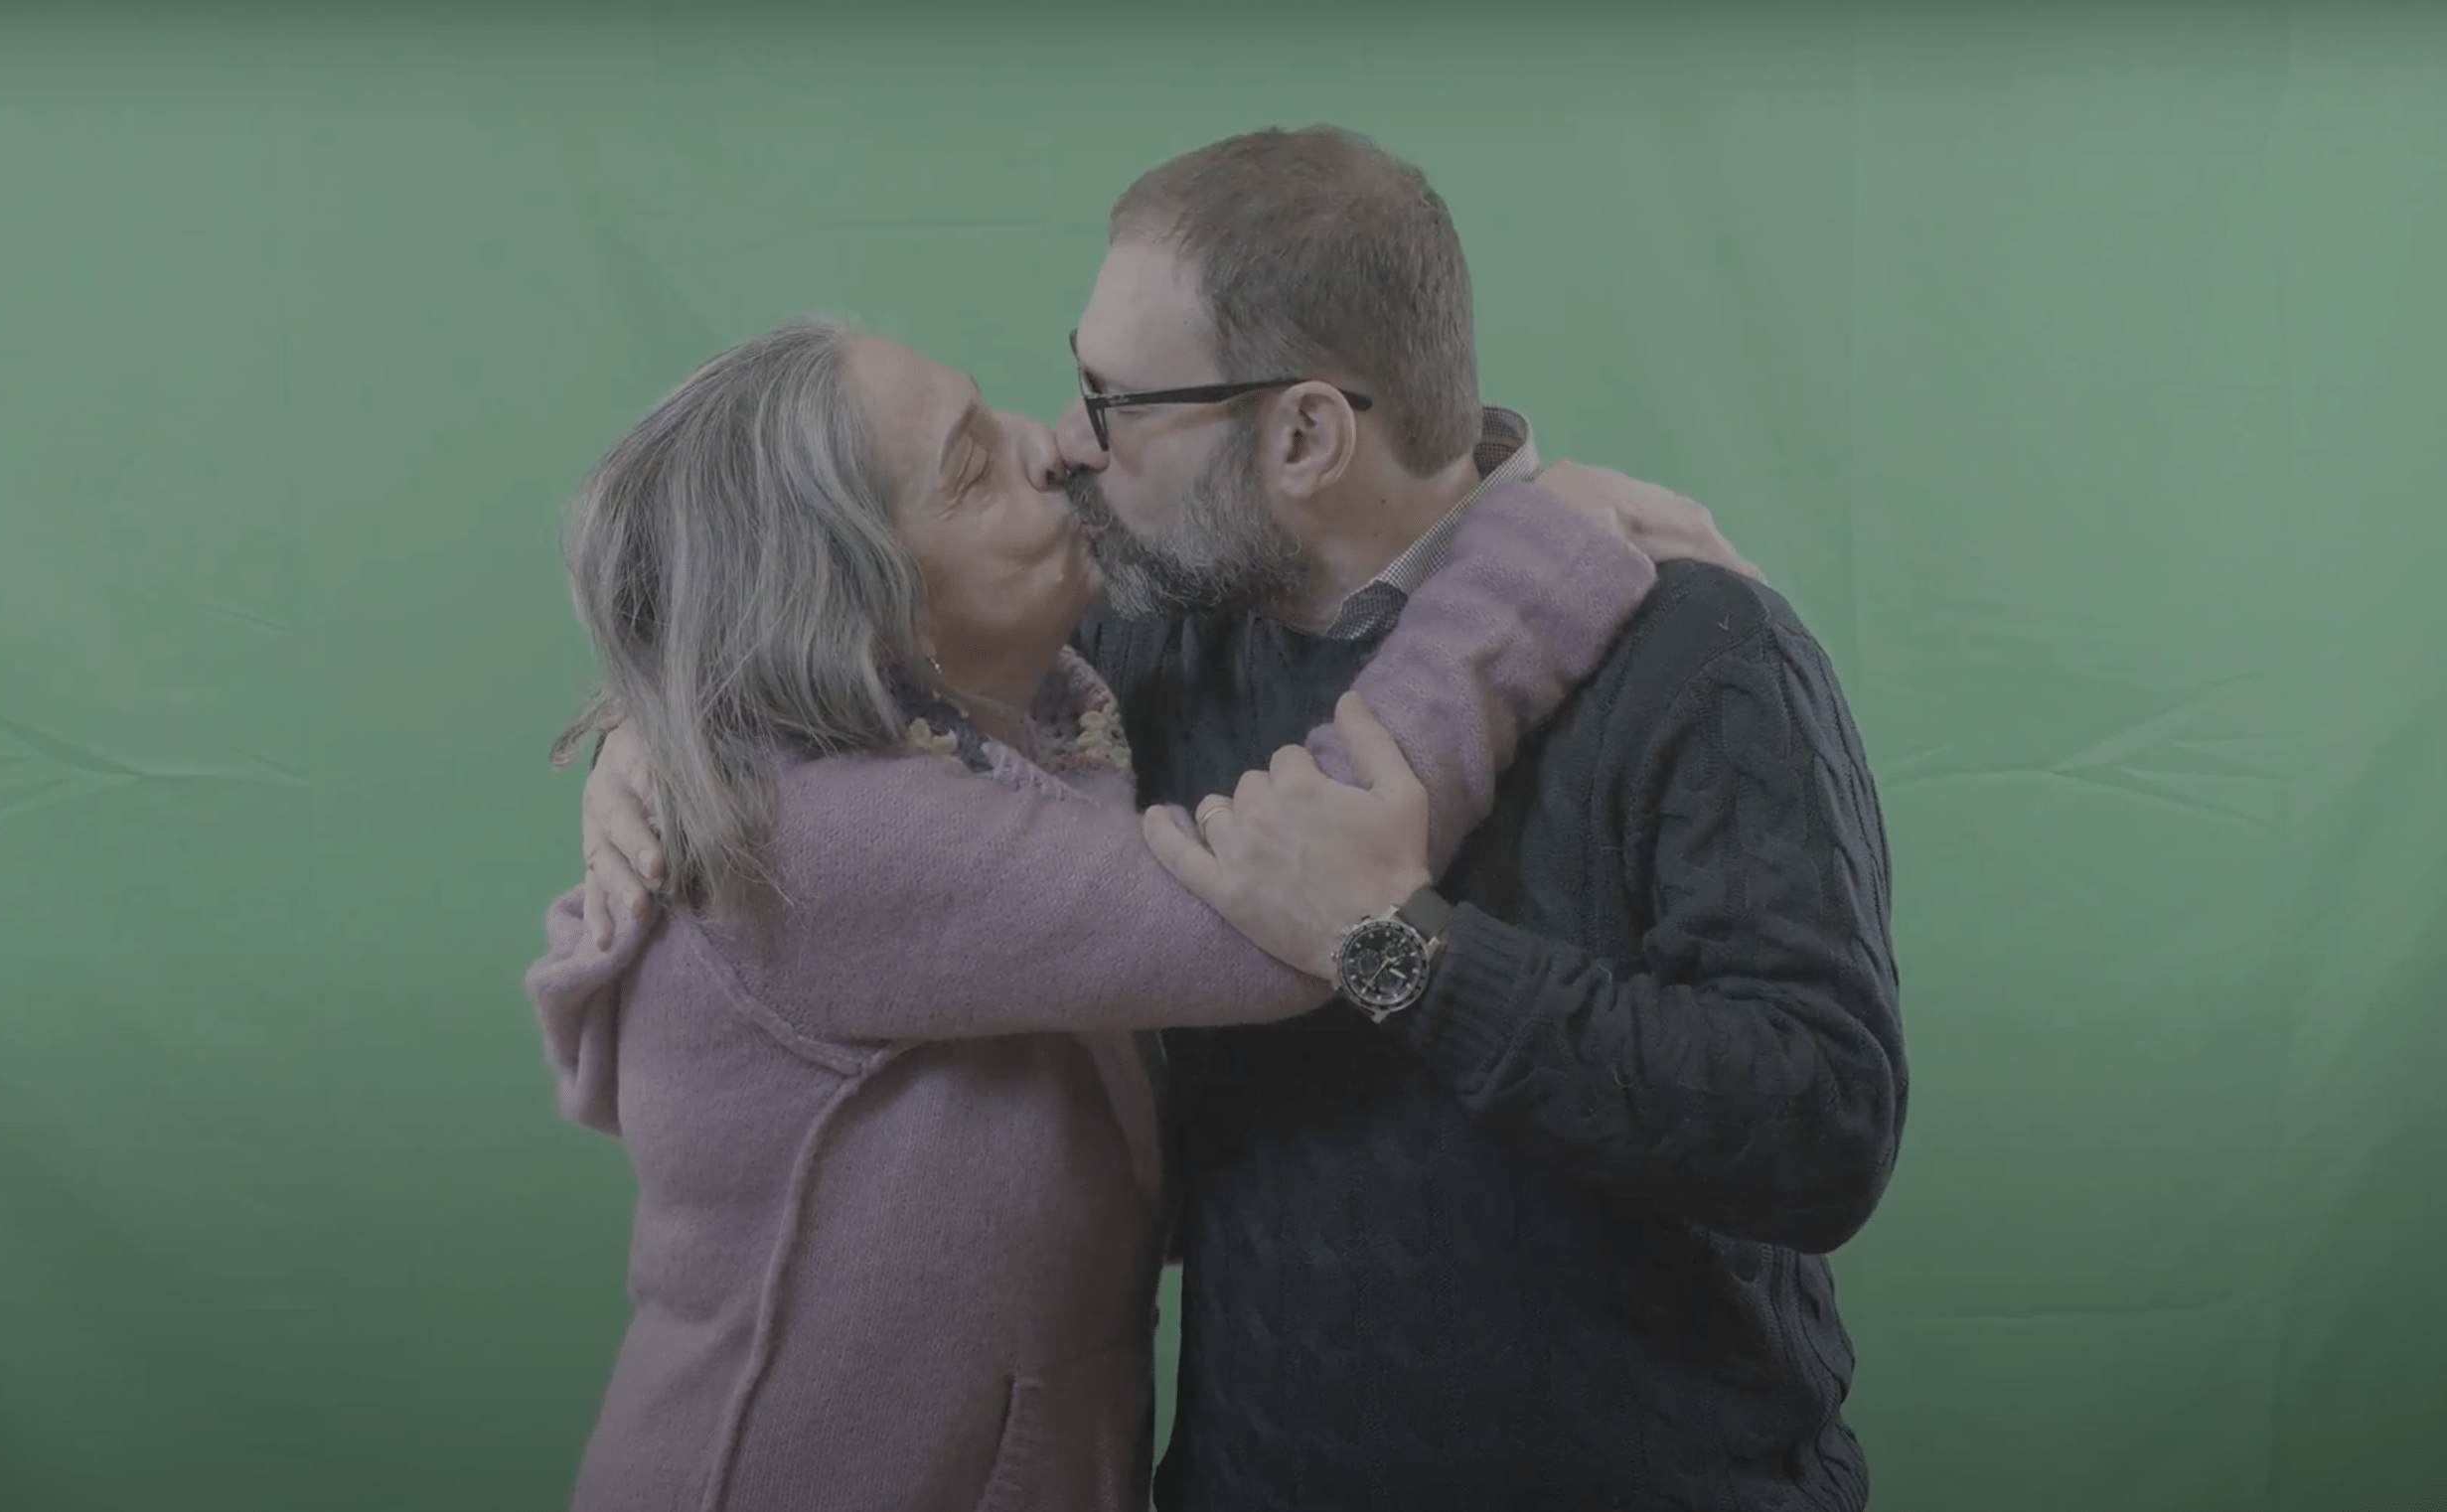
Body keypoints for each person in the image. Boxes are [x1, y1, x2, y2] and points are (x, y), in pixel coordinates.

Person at [581, 125, 1906, 1511]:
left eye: (1117, 399)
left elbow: (1822, 1127)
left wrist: (1407, 956)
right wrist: (659, 735)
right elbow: (834, 633)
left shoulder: (1696, 653)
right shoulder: (1153, 651)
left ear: (1304, 434)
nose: (1069, 441)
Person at [525, 315, 1665, 1511]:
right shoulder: (824, 839)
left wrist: (651, 719)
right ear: (861, 614)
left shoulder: (998, 742)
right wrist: (1535, 558)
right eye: (970, 466)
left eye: (990, 409)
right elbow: (1286, 906)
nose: (1048, 442)